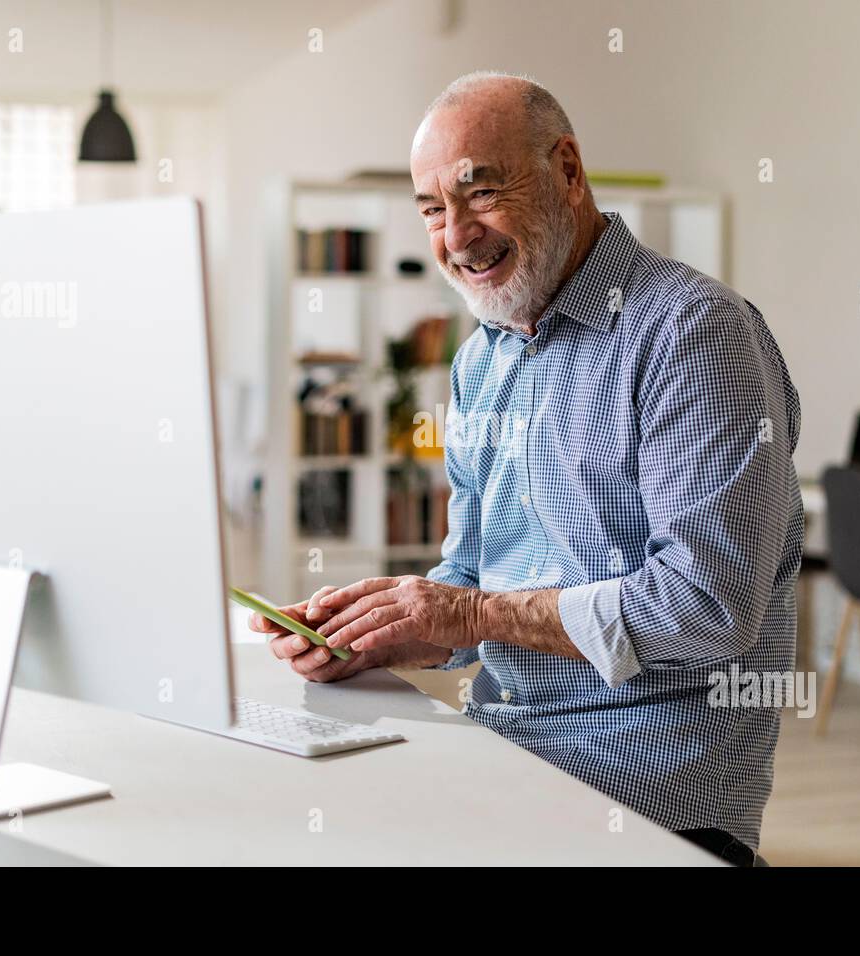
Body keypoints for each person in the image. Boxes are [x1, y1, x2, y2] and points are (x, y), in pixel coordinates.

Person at [252, 71, 803, 864]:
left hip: (651, 799)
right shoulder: (482, 360)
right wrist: (375, 635)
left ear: (568, 171)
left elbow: (709, 607)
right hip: (505, 755)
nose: (456, 235)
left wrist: (467, 616)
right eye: (433, 210)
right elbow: (472, 574)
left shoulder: (695, 334)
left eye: (480, 193)